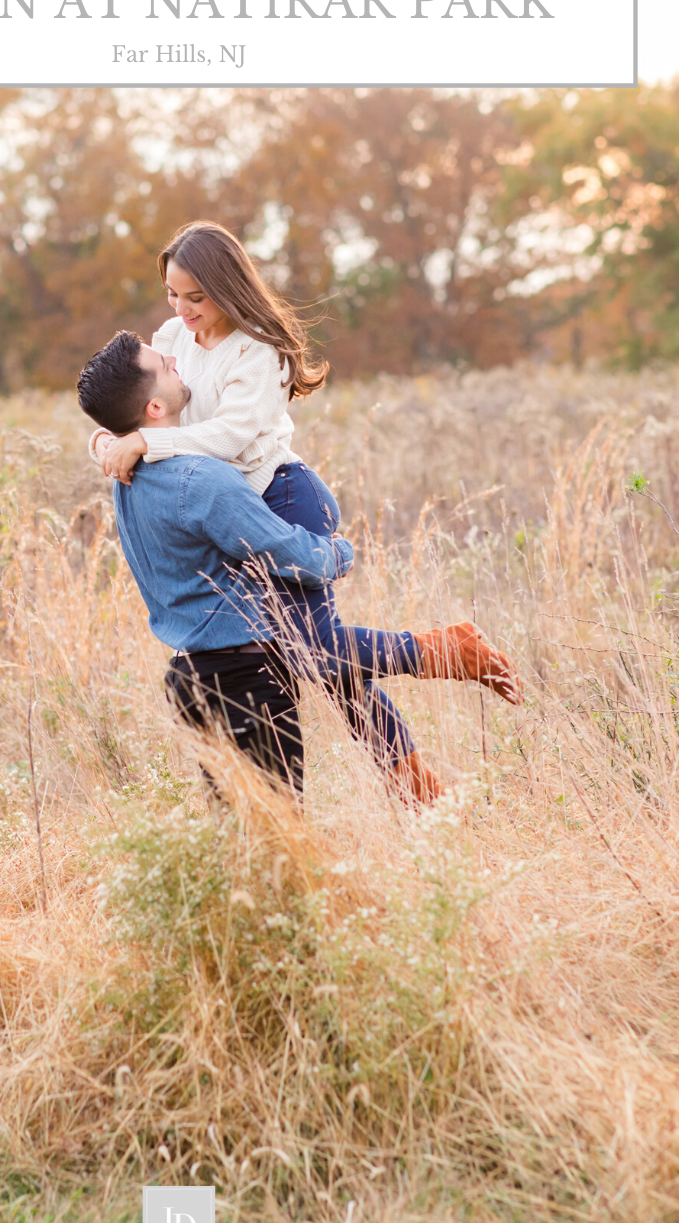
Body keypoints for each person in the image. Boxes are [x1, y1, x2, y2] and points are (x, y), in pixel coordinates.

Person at [87, 222, 523, 798]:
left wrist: (146, 444)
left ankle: (446, 652)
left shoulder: (257, 349)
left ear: (228, 286)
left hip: (281, 494)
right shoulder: (172, 336)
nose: (181, 308)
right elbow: (130, 402)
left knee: (315, 651)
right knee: (331, 666)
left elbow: (232, 437)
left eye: (196, 296)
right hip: (222, 507)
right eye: (173, 292)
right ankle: (419, 787)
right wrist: (105, 442)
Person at [79, 332, 465, 805]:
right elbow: (288, 553)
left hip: (188, 681)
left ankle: (419, 790)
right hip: (245, 675)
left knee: (243, 836)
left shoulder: (125, 476)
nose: (176, 359)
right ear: (154, 408)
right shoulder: (202, 479)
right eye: (164, 365)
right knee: (279, 834)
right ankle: (439, 655)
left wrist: (106, 439)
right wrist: (339, 554)